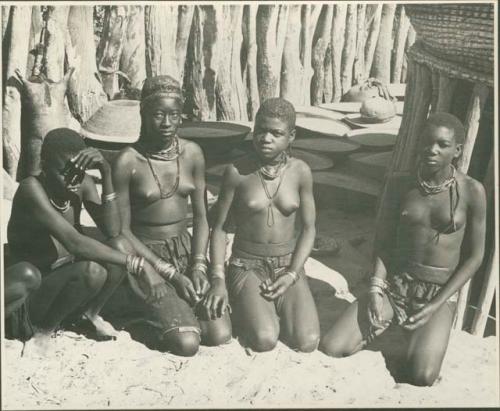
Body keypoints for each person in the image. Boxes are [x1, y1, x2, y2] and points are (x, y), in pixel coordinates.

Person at [319, 113, 486, 386]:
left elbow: (475, 256)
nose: (432, 149)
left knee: (422, 376)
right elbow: (383, 241)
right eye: (427, 141)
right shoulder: (400, 184)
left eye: (442, 144)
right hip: (396, 287)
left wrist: (434, 306)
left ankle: (412, 340)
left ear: (457, 150)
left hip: (438, 293)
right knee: (333, 346)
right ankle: (397, 331)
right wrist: (375, 288)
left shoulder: (472, 192)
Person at [7, 128, 166, 341]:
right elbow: (74, 243)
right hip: (33, 296)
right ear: (44, 165)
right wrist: (140, 264)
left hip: (66, 289)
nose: (73, 179)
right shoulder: (32, 189)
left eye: (79, 171)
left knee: (120, 245)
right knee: (93, 271)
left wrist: (105, 171)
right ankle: (43, 333)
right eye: (64, 171)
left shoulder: (83, 184)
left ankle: (89, 314)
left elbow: (113, 231)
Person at [112, 75, 231, 356]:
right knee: (187, 343)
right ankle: (138, 314)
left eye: (174, 115)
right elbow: (122, 231)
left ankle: (170, 310)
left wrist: (199, 266)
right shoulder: (127, 161)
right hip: (147, 257)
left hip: (186, 250)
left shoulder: (193, 154)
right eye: (158, 114)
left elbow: (202, 218)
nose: (166, 123)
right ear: (143, 114)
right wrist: (171, 275)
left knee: (219, 334)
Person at [207, 97, 320, 353]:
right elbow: (220, 228)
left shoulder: (300, 172)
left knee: (307, 341)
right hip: (247, 265)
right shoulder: (237, 172)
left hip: (287, 265)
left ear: (291, 136)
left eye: (276, 133)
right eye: (260, 130)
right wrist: (217, 278)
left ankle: (271, 304)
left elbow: (309, 229)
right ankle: (247, 303)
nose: (265, 138)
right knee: (265, 339)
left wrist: (292, 274)